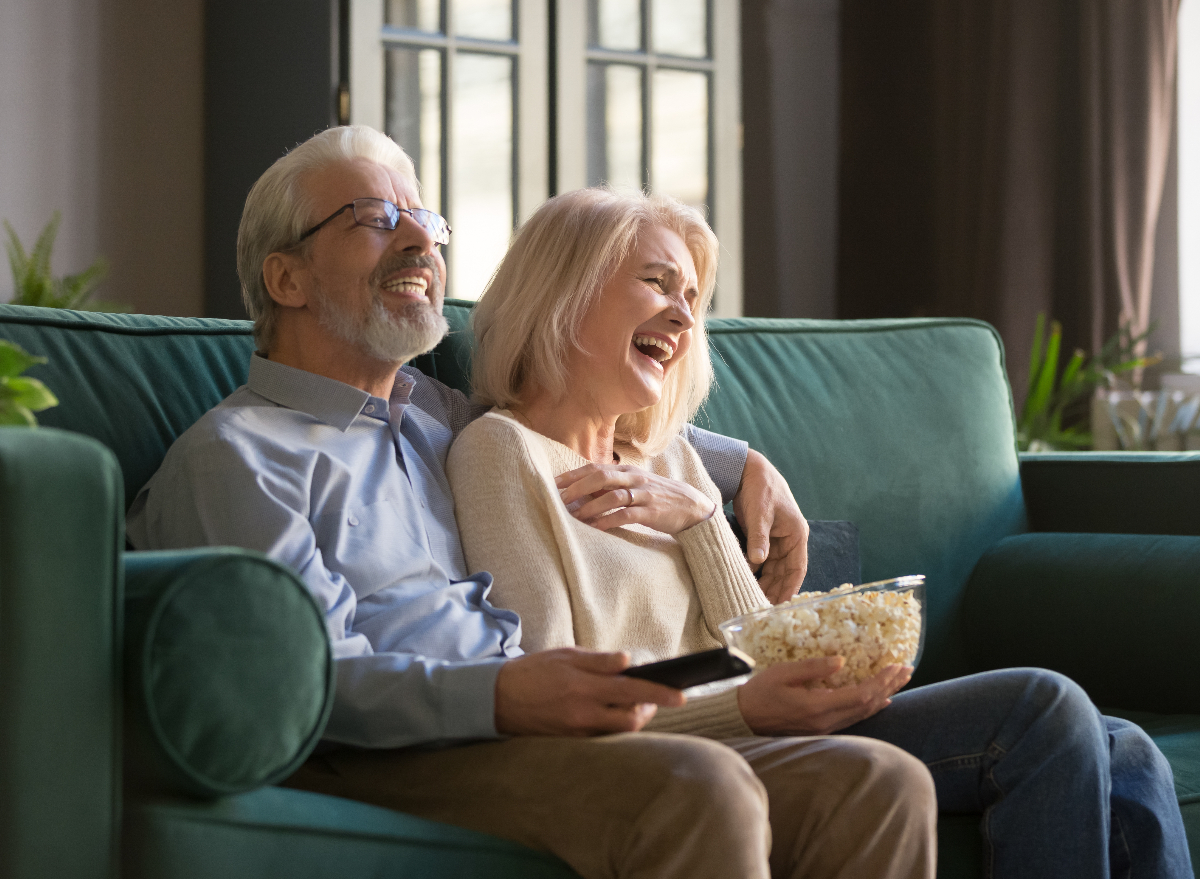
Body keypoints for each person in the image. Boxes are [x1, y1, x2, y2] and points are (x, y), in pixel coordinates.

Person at [125, 124, 937, 879]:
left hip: (518, 726)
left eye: (426, 222)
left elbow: (564, 406)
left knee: (876, 777)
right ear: (286, 276)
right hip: (385, 755)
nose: (420, 241)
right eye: (374, 219)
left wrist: (742, 466)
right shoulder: (238, 457)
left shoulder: (434, 415)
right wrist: (500, 695)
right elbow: (301, 685)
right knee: (700, 782)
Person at [446, 186, 1195, 879]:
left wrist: (706, 520)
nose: (683, 316)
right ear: (566, 288)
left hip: (760, 721)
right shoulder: (501, 452)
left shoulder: (668, 455)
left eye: (691, 298)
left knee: (1126, 750)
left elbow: (754, 645)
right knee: (1043, 703)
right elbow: (555, 693)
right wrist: (745, 706)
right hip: (690, 746)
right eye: (657, 283)